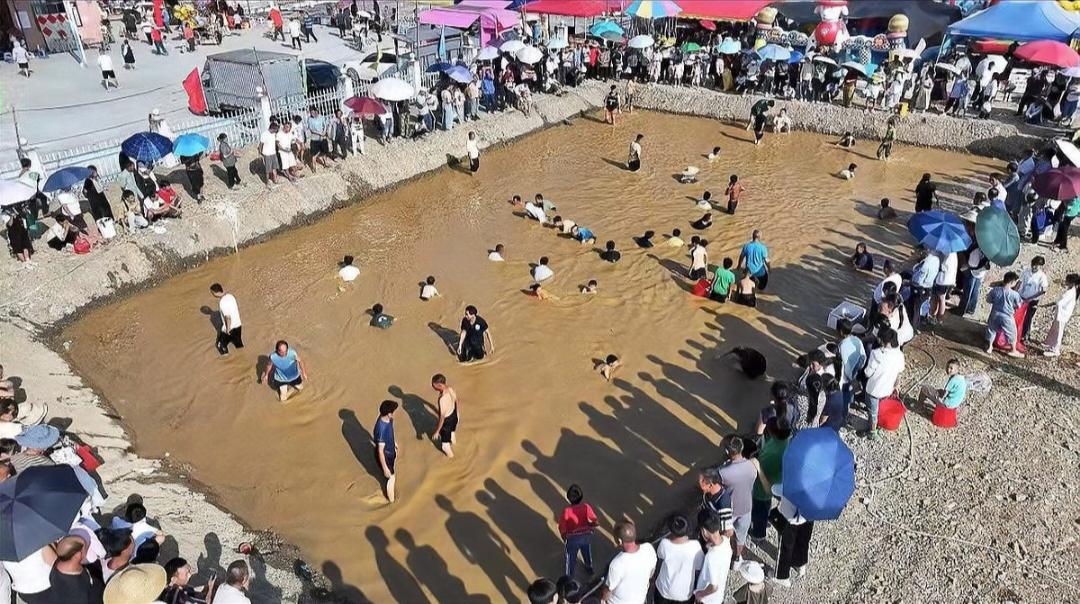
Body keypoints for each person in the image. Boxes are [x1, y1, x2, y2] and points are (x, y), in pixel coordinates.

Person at [719, 436, 757, 562]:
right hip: (746, 507)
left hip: (730, 510)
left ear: (727, 451)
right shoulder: (752, 466)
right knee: (741, 537)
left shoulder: (723, 472)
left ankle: (722, 556)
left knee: (724, 534)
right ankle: (736, 558)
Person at [863, 328, 904, 439]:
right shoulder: (900, 355)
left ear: (884, 340)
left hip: (874, 389)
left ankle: (872, 431)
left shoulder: (876, 354)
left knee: (873, 411)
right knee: (880, 408)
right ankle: (880, 424)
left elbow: (868, 372)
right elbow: (899, 373)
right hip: (888, 389)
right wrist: (896, 385)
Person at [601, 521, 656, 604]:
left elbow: (608, 591)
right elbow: (652, 573)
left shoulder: (617, 563)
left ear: (619, 541)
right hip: (640, 600)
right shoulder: (649, 548)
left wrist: (603, 599)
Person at [768, 485, 813, 588]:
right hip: (808, 517)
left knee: (785, 548)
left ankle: (782, 577)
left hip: (789, 519)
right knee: (803, 542)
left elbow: (774, 489)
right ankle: (800, 564)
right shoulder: (817, 485)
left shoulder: (790, 484)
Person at [654, 515, 703, 604]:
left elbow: (660, 557)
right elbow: (698, 568)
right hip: (685, 595)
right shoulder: (695, 546)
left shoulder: (664, 544)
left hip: (664, 591)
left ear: (671, 530)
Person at [559, 484, 598, 577]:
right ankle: (589, 567)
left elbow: (562, 527)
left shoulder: (567, 511)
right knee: (586, 552)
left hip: (573, 538)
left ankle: (569, 575)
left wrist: (564, 537)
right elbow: (595, 521)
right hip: (586, 536)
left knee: (570, 557)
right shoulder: (586, 507)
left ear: (568, 498)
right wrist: (591, 527)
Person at [694, 514, 732, 603]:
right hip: (718, 597)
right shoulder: (725, 540)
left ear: (704, 531)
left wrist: (700, 594)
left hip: (707, 600)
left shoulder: (712, 556)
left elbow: (714, 587)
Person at [985, 272, 1024, 357]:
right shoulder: (1015, 294)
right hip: (1007, 316)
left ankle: (989, 347)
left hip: (995, 313)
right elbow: (1019, 306)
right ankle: (1013, 350)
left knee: (991, 330)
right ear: (1012, 282)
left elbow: (988, 300)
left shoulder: (995, 290)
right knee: (1012, 332)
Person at [1043, 273, 1079, 356]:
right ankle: (1051, 345)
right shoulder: (1071, 291)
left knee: (1059, 332)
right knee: (1055, 330)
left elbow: (1060, 303)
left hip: (1063, 315)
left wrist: (1053, 304)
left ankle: (1056, 350)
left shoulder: (1070, 292)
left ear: (1072, 283)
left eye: (1067, 281)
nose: (1066, 282)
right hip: (1061, 314)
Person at [372, 400, 399, 503]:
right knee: (392, 478)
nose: (394, 413)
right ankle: (391, 501)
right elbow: (380, 451)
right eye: (393, 412)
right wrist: (385, 468)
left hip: (390, 451)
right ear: (389, 414)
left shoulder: (388, 419)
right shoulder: (381, 429)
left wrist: (393, 442)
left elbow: (390, 431)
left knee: (391, 472)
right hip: (386, 456)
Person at [1018, 256, 1048, 344]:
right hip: (1022, 297)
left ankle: (1024, 336)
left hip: (1032, 301)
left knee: (1028, 318)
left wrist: (1031, 298)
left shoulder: (1042, 276)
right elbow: (1019, 282)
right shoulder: (1026, 272)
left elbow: (1043, 290)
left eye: (1037, 265)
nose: (1034, 267)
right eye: (1033, 265)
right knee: (1018, 316)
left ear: (1040, 266)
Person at [430, 374, 458, 458]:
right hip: (454, 415)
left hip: (446, 421)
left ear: (439, 385)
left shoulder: (442, 399)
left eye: (433, 385)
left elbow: (442, 418)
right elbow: (456, 401)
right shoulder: (450, 389)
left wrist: (437, 431)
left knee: (445, 446)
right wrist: (457, 413)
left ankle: (452, 459)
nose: (432, 387)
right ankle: (453, 442)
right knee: (452, 432)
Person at [210, 283, 243, 355]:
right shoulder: (231, 296)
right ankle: (242, 356)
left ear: (215, 293)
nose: (212, 294)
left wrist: (228, 329)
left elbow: (228, 317)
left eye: (212, 292)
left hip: (230, 328)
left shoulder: (222, 302)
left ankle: (226, 358)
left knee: (220, 345)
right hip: (238, 325)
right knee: (238, 344)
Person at [929, 251, 957, 325]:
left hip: (942, 280)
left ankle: (935, 317)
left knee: (938, 298)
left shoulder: (948, 255)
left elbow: (943, 267)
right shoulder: (954, 253)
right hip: (947, 280)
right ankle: (937, 318)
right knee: (940, 298)